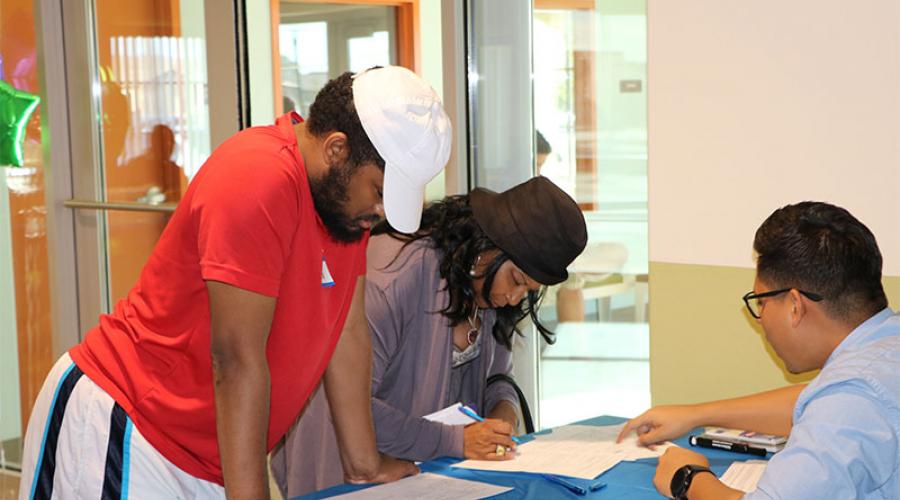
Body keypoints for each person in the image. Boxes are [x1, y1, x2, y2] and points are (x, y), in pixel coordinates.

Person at [18, 65, 451, 499]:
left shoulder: (343, 207)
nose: (379, 210)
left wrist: (365, 463)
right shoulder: (258, 178)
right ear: (337, 150)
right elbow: (236, 359)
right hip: (128, 426)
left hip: (209, 456)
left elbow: (348, 330)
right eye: (378, 191)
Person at [271, 176, 588, 497]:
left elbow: (497, 375)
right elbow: (347, 403)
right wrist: (455, 440)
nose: (515, 298)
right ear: (484, 250)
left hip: (421, 470)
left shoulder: (485, 288)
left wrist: (502, 411)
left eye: (528, 291)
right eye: (516, 280)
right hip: (344, 469)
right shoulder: (394, 277)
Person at [617, 201, 899, 499]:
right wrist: (695, 414)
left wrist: (687, 478)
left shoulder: (853, 398)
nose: (761, 317)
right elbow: (813, 400)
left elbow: (841, 405)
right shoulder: (879, 354)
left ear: (794, 305)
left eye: (761, 301)